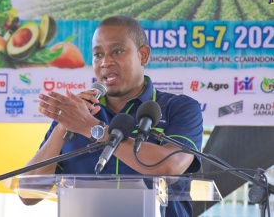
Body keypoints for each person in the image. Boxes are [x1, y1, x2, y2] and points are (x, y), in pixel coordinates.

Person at [21, 15, 203, 216]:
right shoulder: (76, 115)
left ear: (143, 55)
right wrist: (63, 126)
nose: (105, 62)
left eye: (117, 52)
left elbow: (170, 167)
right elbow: (28, 194)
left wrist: (91, 128)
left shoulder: (179, 108)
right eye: (98, 54)